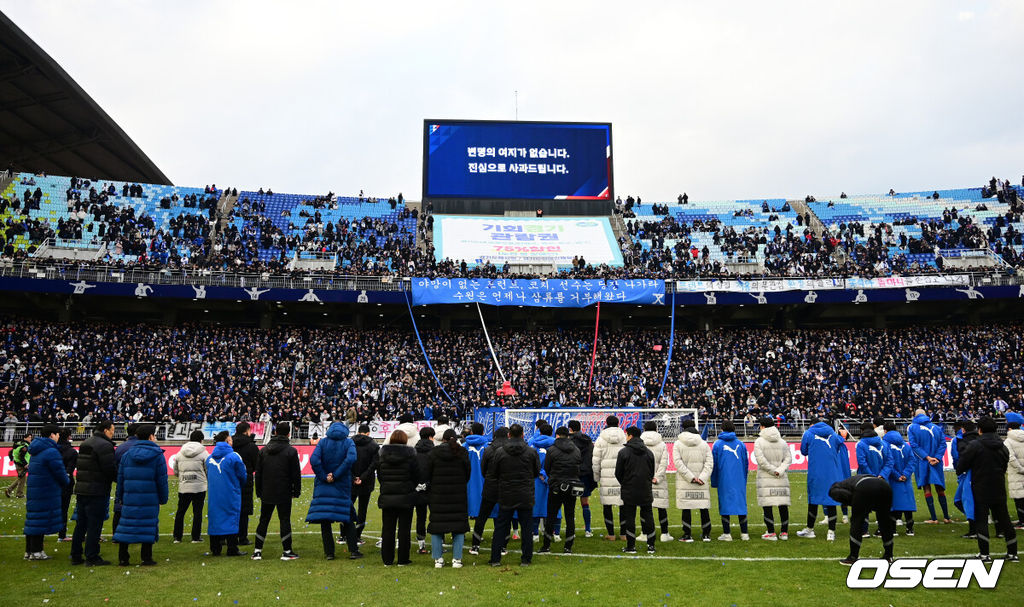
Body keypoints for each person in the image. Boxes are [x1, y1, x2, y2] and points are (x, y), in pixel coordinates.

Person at [956, 417, 1019, 562]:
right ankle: (1012, 553)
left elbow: (961, 466)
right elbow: (1004, 465)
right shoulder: (1002, 446)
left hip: (981, 486)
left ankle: (985, 554)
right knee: (1005, 520)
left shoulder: (975, 445)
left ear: (980, 430)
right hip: (998, 486)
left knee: (981, 521)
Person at [114, 425, 168, 566]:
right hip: (150, 497)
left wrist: (119, 496)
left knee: (127, 524)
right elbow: (161, 480)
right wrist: (163, 498)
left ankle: (123, 557)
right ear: (151, 436)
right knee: (148, 525)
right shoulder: (157, 455)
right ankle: (146, 557)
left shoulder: (127, 455)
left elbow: (121, 478)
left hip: (130, 496)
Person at [306, 421, 361, 560]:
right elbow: (351, 459)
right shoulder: (348, 443)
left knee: (325, 520)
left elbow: (314, 460)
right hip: (341, 484)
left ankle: (329, 553)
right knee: (347, 518)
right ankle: (354, 550)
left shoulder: (323, 442)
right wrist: (336, 475)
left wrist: (324, 476)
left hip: (324, 485)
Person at [489, 424, 540, 567]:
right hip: (523, 493)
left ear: (509, 435)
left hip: (507, 492)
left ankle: (495, 558)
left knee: (501, 527)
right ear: (522, 434)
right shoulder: (530, 452)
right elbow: (536, 471)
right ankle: (526, 558)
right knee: (526, 527)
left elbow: (494, 472)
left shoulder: (501, 452)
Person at [253, 422, 301, 561]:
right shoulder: (290, 451)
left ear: (275, 433)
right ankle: (287, 551)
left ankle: (257, 551)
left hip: (267, 490)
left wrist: (259, 491)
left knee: (264, 520)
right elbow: (295, 474)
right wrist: (296, 491)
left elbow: (259, 474)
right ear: (288, 434)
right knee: (284, 520)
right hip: (284, 491)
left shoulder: (263, 450)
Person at [71, 420, 116, 565]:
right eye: (112, 430)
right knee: (94, 524)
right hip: (97, 489)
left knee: (81, 524)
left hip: (83, 488)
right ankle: (92, 556)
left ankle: (76, 555)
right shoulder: (105, 446)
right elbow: (109, 469)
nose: (113, 433)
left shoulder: (87, 442)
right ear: (105, 430)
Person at [23, 425, 69, 560]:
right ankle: (37, 551)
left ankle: (29, 551)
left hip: (35, 489)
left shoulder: (36, 449)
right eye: (57, 434)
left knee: (34, 519)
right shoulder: (51, 451)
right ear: (51, 435)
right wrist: (66, 480)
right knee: (40, 520)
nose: (59, 437)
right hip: (46, 489)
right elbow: (59, 472)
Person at [427, 429, 471, 568]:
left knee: (437, 525)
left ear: (443, 439)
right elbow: (467, 474)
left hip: (438, 493)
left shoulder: (434, 453)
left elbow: (428, 472)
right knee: (458, 525)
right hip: (458, 493)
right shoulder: (462, 452)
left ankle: (438, 559)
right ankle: (457, 559)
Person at [829, 475, 895, 566]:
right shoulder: (851, 481)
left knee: (856, 521)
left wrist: (851, 502)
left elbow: (849, 497)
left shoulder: (835, 489)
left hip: (865, 487)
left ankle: (853, 557)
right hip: (885, 486)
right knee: (885, 522)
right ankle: (889, 555)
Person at [376, 429, 419, 566]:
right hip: (405, 495)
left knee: (388, 528)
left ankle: (387, 559)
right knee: (404, 529)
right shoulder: (411, 456)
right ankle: (403, 559)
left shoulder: (383, 456)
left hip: (388, 495)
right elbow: (416, 475)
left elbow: (381, 476)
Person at [797, 418, 845, 541]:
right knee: (831, 502)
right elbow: (840, 445)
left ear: (812, 424)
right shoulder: (833, 434)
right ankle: (831, 532)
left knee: (813, 501)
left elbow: (803, 451)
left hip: (816, 472)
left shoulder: (808, 433)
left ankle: (810, 529)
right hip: (832, 473)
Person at [539, 426, 581, 554]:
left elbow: (547, 467)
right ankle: (568, 546)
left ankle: (546, 545)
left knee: (551, 515)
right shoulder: (576, 450)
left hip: (556, 485)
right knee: (570, 515)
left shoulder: (551, 450)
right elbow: (578, 465)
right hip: (572, 484)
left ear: (556, 435)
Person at [206, 431, 247, 557]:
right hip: (230, 493)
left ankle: (215, 548)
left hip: (214, 494)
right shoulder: (234, 456)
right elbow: (242, 476)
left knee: (215, 518)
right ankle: (232, 548)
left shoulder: (209, 458)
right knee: (231, 518)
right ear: (227, 441)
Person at [616, 426, 656, 554]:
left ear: (630, 436)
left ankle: (631, 546)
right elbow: (651, 471)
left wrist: (626, 482)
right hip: (645, 488)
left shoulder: (623, 452)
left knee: (630, 517)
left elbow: (618, 473)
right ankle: (651, 545)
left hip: (629, 488)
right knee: (648, 516)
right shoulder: (649, 453)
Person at [673, 419, 713, 542]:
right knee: (703, 507)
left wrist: (690, 477)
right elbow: (709, 463)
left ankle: (687, 534)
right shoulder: (704, 444)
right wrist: (702, 478)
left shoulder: (678, 444)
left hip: (686, 481)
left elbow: (678, 463)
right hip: (701, 481)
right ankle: (706, 534)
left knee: (686, 507)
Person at [908, 409, 951, 524]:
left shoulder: (912, 428)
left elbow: (913, 445)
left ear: (915, 416)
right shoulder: (936, 428)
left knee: (927, 488)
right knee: (940, 487)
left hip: (922, 461)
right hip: (936, 461)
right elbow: (943, 443)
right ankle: (946, 517)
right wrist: (936, 457)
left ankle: (934, 518)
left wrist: (927, 457)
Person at [753, 417, 792, 541]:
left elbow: (761, 460)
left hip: (766, 477)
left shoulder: (759, 441)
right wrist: (779, 470)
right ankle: (784, 532)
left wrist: (772, 470)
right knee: (782, 504)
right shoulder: (782, 442)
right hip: (781, 476)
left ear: (762, 426)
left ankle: (771, 532)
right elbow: (788, 459)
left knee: (767, 504)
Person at [470, 427, 507, 555]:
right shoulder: (508, 450)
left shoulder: (489, 449)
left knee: (482, 517)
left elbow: (483, 469)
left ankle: (475, 545)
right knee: (503, 516)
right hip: (505, 486)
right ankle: (503, 546)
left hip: (490, 486)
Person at [711, 420, 749, 541]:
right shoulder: (741, 444)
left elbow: (714, 465)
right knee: (741, 503)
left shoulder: (717, 445)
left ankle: (727, 534)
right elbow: (745, 464)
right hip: (739, 478)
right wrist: (744, 478)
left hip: (724, 478)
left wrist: (714, 481)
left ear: (722, 429)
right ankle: (744, 533)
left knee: (725, 504)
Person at [854, 420, 894, 536]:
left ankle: (864, 530)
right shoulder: (883, 443)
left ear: (862, 431)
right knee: (882, 506)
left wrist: (871, 476)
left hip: (866, 479)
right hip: (882, 480)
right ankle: (882, 530)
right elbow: (890, 461)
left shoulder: (861, 444)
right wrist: (882, 475)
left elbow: (862, 462)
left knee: (863, 505)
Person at [592, 415, 626, 541]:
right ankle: (624, 534)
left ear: (606, 423)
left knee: (607, 505)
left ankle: (611, 534)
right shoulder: (624, 438)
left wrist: (596, 477)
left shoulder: (601, 440)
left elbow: (596, 461)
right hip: (622, 477)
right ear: (618, 423)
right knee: (623, 505)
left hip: (606, 477)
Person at [881, 421, 916, 536]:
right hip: (906, 479)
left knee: (893, 504)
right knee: (907, 503)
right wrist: (905, 474)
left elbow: (887, 463)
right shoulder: (905, 444)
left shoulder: (884, 444)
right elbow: (912, 460)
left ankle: (893, 529)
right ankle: (910, 528)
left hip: (893, 479)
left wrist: (896, 475)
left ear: (885, 431)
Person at [172, 430, 208, 544]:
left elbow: (176, 471)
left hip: (184, 486)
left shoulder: (180, 453)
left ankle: (177, 537)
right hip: (199, 487)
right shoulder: (204, 453)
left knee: (180, 512)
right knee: (197, 512)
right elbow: (208, 469)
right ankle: (195, 537)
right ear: (201, 440)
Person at [639, 421, 672, 542]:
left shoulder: (640, 443)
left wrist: (644, 477)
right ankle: (664, 533)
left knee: (644, 507)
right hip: (658, 480)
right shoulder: (662, 444)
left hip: (643, 480)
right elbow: (664, 463)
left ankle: (644, 533)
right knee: (661, 506)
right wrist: (657, 477)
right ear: (656, 429)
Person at [350, 424, 379, 545]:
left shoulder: (349, 443)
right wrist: (363, 477)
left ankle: (343, 534)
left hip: (350, 480)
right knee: (363, 509)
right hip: (366, 481)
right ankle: (357, 535)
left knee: (348, 507)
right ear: (368, 433)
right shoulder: (373, 445)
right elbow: (374, 464)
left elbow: (346, 461)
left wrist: (353, 477)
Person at [231, 421, 259, 545]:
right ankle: (242, 537)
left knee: (231, 508)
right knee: (244, 508)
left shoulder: (230, 444)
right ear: (247, 431)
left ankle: (229, 536)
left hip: (230, 478)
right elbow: (257, 464)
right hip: (245, 479)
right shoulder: (251, 446)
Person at [568, 420, 596, 537]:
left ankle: (572, 531)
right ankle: (588, 530)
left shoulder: (569, 442)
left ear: (570, 429)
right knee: (585, 501)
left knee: (571, 503)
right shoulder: (588, 440)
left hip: (574, 474)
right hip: (585, 474)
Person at [528, 424, 556, 539]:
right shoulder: (556, 445)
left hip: (535, 478)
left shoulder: (532, 444)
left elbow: (530, 461)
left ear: (539, 432)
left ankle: (535, 534)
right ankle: (554, 532)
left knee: (536, 504)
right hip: (552, 478)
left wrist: (540, 473)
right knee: (552, 505)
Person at [112, 423, 140, 537]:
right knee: (136, 508)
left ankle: (116, 534)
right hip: (138, 483)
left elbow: (114, 466)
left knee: (119, 508)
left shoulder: (120, 448)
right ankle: (134, 533)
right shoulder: (140, 446)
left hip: (123, 482)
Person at [413, 426, 435, 554]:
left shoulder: (414, 452)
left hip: (417, 488)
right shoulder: (434, 452)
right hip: (432, 488)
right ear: (431, 437)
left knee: (420, 516)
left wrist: (418, 484)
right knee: (434, 515)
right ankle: (438, 542)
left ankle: (421, 545)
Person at [464, 423, 489, 524]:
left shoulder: (464, 446)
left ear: (471, 432)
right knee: (483, 507)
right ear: (483, 432)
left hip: (467, 480)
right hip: (485, 480)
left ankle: (462, 534)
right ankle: (478, 533)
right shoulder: (488, 446)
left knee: (465, 505)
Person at [1003, 412, 1024, 528]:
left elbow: (1010, 458)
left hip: (1016, 472)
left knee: (1019, 498)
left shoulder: (1008, 441)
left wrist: (1020, 469)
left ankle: (1022, 521)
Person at [56, 429, 78, 541]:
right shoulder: (72, 452)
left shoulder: (52, 449)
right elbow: (70, 470)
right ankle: (61, 535)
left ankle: (42, 533)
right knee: (63, 509)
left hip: (52, 482)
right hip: (65, 483)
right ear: (69, 436)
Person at [5, 432, 33, 498]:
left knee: (21, 478)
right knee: (22, 479)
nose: (30, 439)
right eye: (29, 437)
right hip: (21, 464)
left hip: (17, 462)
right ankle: (19, 494)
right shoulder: (25, 446)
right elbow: (21, 456)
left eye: (31, 437)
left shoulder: (18, 443)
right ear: (25, 438)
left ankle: (9, 489)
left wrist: (12, 458)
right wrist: (25, 464)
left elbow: (11, 451)